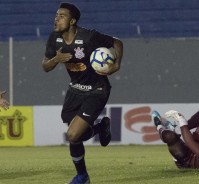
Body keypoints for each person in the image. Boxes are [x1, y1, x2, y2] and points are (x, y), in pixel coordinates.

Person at [42, 3, 123, 184]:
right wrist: (56, 59)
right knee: (76, 137)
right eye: (56, 15)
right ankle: (100, 128)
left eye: (61, 16)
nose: (56, 18)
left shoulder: (88, 37)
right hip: (75, 90)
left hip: (97, 90)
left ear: (72, 21)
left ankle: (81, 177)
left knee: (72, 135)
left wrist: (117, 64)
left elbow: (117, 42)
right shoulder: (54, 38)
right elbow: (45, 66)